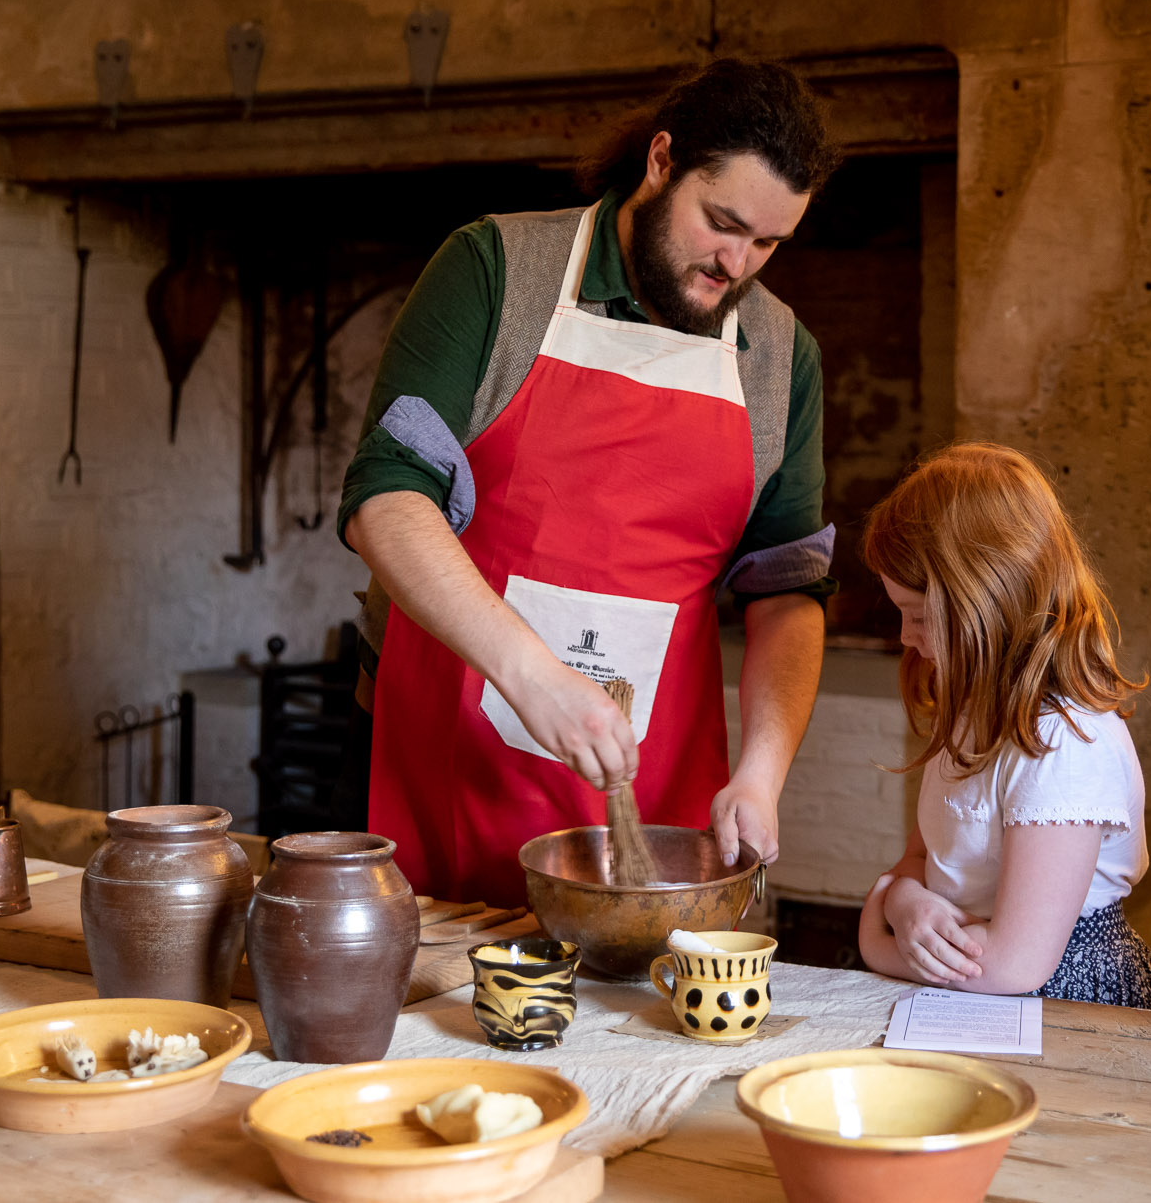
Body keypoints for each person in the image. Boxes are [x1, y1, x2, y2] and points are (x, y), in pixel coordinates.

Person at [340, 59, 842, 905]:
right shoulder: (494, 269)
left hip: (658, 785)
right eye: (721, 223)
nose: (737, 264)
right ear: (660, 162)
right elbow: (386, 500)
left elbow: (786, 589)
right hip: (453, 751)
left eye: (767, 243)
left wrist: (760, 774)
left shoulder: (782, 357)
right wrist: (532, 675)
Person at [854, 443, 1151, 1010]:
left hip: (1062, 1003)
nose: (905, 638)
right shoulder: (970, 711)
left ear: (990, 602)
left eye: (919, 617)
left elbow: (1014, 962)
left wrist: (877, 938)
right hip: (969, 984)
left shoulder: (1062, 744)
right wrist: (906, 900)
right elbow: (919, 859)